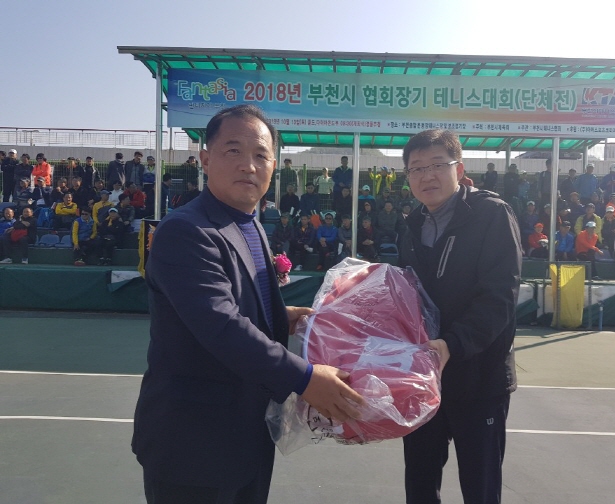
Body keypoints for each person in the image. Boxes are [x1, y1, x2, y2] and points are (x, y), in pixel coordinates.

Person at [132, 105, 363, 504]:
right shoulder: (186, 230)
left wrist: (281, 316)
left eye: (261, 155)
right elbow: (220, 325)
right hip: (193, 444)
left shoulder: (249, 222)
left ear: (273, 166)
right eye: (233, 150)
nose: (248, 165)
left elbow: (236, 303)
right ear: (206, 159)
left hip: (248, 434)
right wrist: (306, 379)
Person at [398, 128, 521, 504]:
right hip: (424, 380)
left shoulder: (491, 214)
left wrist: (452, 344)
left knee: (480, 491)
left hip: (478, 380)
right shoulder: (410, 226)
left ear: (459, 169)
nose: (427, 176)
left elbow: (500, 297)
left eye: (437, 164)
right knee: (420, 486)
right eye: (417, 168)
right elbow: (404, 297)